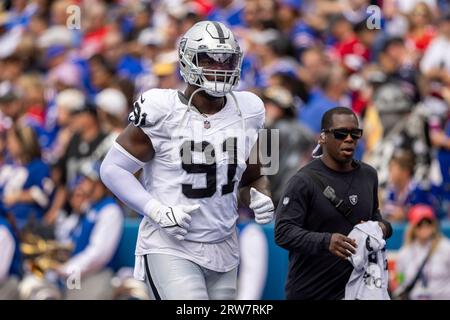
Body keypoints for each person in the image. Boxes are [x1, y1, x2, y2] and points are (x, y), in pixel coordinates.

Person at [100, 21, 274, 300]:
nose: (218, 67)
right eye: (209, 59)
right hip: (170, 245)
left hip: (224, 246)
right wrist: (155, 210)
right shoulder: (162, 109)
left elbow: (254, 176)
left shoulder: (251, 109)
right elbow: (112, 169)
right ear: (187, 59)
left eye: (226, 60)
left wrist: (259, 196)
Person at [274, 106, 392, 300]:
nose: (349, 139)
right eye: (340, 133)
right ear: (322, 137)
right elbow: (283, 232)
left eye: (355, 134)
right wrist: (326, 241)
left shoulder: (369, 175)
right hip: (312, 292)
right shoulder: (303, 180)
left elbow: (375, 217)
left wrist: (383, 227)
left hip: (357, 291)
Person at [394, 204, 450, 299]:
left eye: (428, 223)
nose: (424, 227)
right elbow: (400, 279)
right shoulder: (404, 253)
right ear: (413, 227)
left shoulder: (446, 248)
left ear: (434, 226)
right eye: (420, 224)